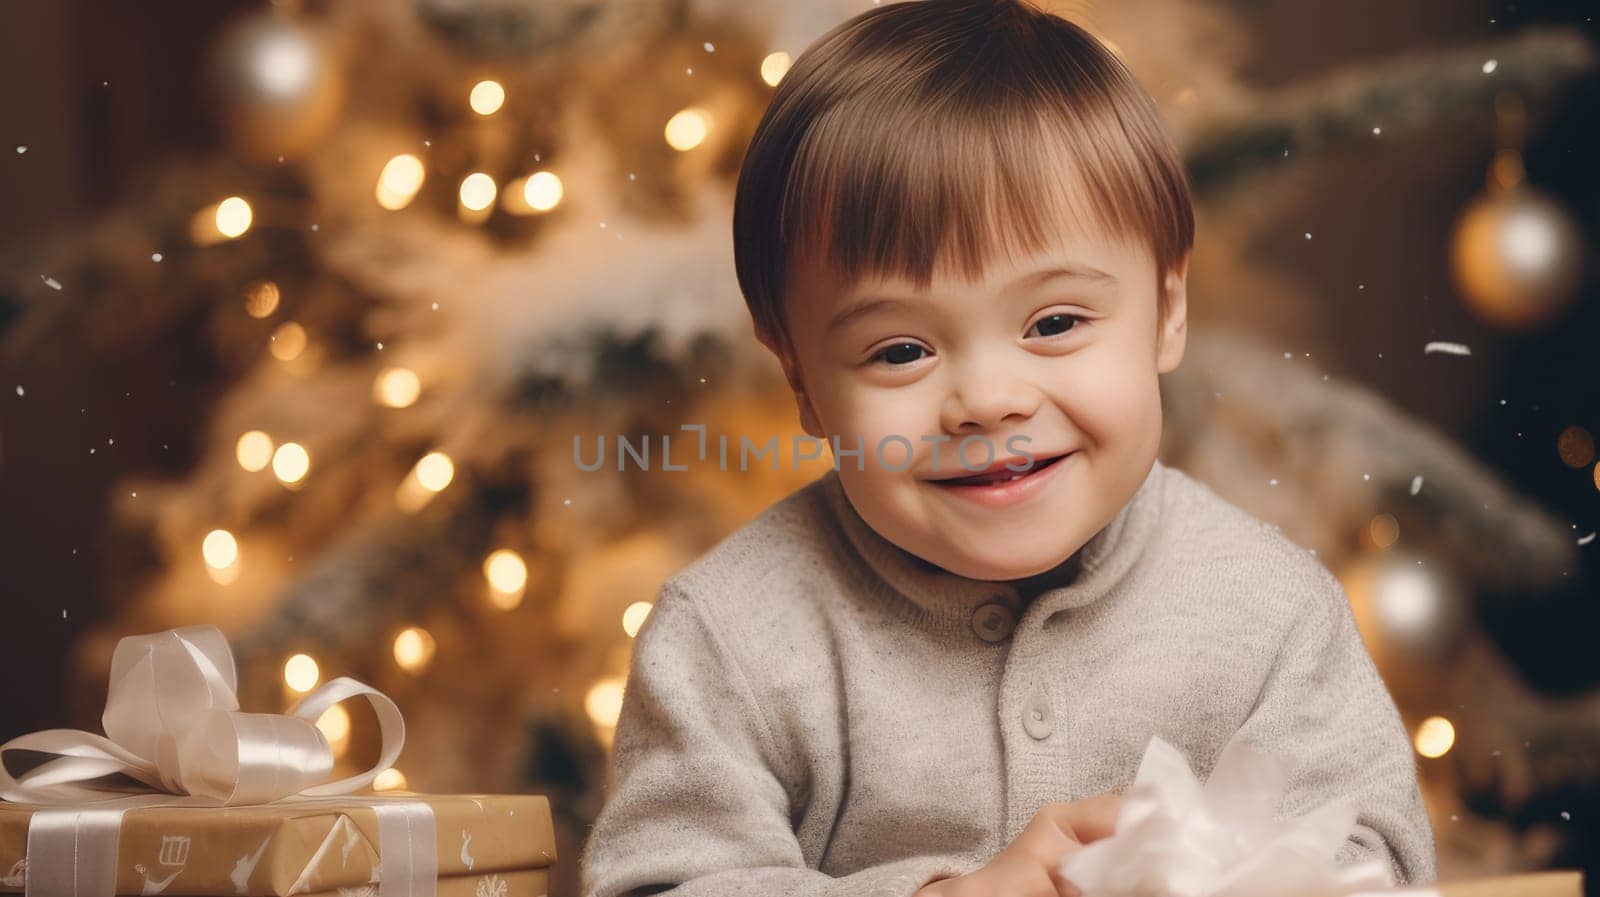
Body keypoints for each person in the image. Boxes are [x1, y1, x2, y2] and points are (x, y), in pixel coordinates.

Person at [578, 0, 1438, 894]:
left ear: (1167, 312)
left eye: (1055, 321)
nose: (987, 400)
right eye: (901, 349)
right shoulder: (732, 640)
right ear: (801, 380)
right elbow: (664, 883)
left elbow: (1381, 858)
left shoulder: (1268, 611)